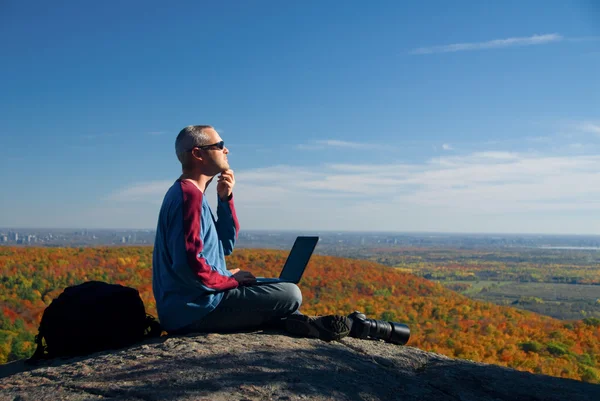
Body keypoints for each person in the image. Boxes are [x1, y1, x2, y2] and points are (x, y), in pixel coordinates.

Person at [152, 125, 350, 341]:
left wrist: (225, 199)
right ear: (198, 154)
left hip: (199, 301)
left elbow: (224, 246)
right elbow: (189, 267)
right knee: (291, 294)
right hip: (193, 310)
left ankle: (298, 322)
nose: (226, 150)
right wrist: (231, 280)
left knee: (276, 285)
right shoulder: (188, 197)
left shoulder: (192, 195)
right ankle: (298, 322)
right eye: (219, 145)